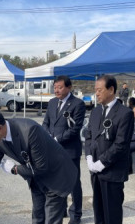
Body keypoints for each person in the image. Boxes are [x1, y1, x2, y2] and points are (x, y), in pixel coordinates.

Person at [0, 107, 78, 224]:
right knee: (38, 218)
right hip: (36, 178)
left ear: (0, 128)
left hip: (56, 176)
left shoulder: (30, 130)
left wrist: (14, 169)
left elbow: (41, 167)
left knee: (51, 220)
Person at [85, 75, 134, 224]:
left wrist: (101, 163)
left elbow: (121, 144)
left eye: (100, 90)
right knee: (98, 212)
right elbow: (88, 135)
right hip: (95, 171)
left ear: (111, 89)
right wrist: (88, 157)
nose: (97, 93)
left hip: (112, 171)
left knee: (111, 215)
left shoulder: (124, 113)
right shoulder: (95, 112)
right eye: (95, 90)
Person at [42, 75, 85, 224]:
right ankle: (62, 209)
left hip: (70, 150)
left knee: (73, 183)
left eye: (60, 87)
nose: (56, 90)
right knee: (58, 182)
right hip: (53, 151)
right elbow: (46, 122)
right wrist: (47, 135)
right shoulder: (52, 102)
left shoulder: (77, 104)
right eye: (55, 87)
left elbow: (75, 129)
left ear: (69, 87)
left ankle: (76, 214)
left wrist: (56, 139)